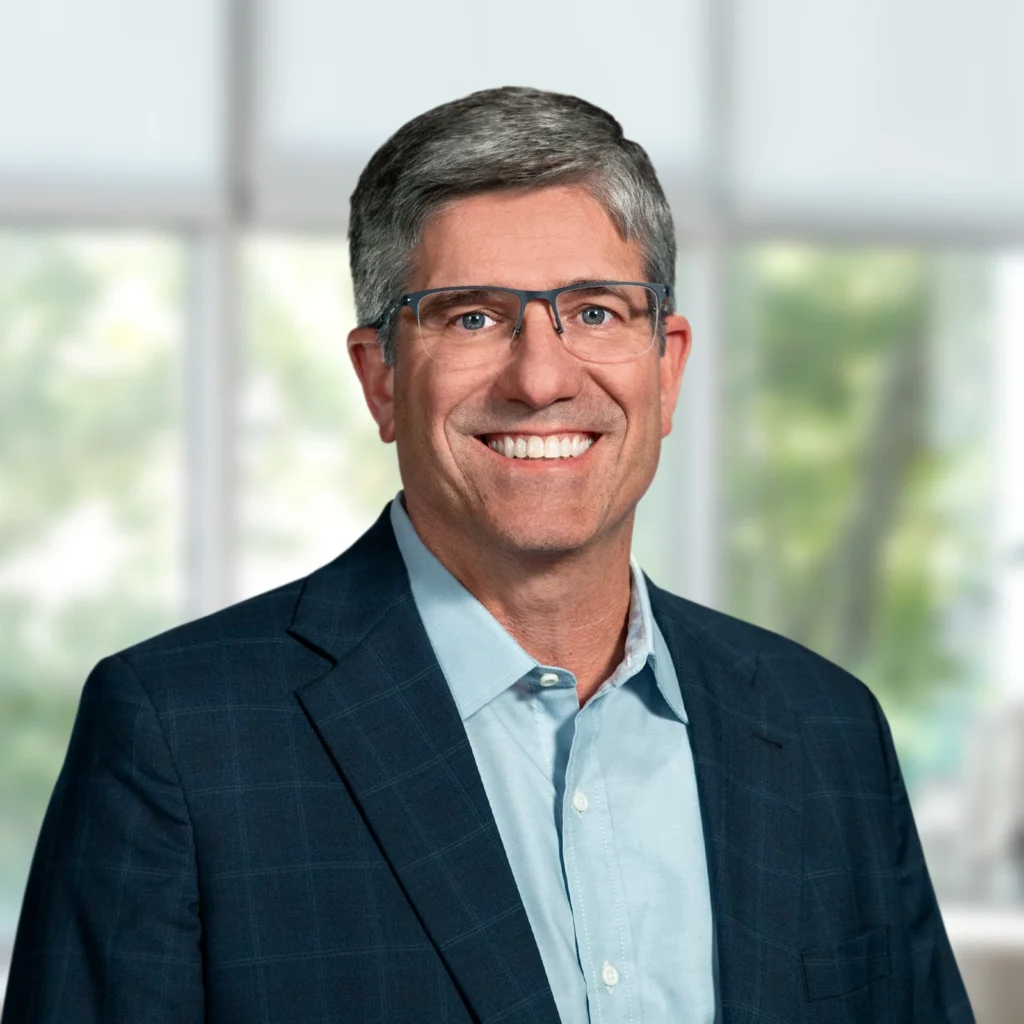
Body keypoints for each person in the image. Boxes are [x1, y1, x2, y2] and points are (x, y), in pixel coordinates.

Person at [3, 86, 973, 1024]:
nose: (541, 376)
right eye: (472, 315)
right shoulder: (180, 736)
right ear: (380, 377)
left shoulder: (824, 733)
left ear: (666, 366)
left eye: (595, 310)